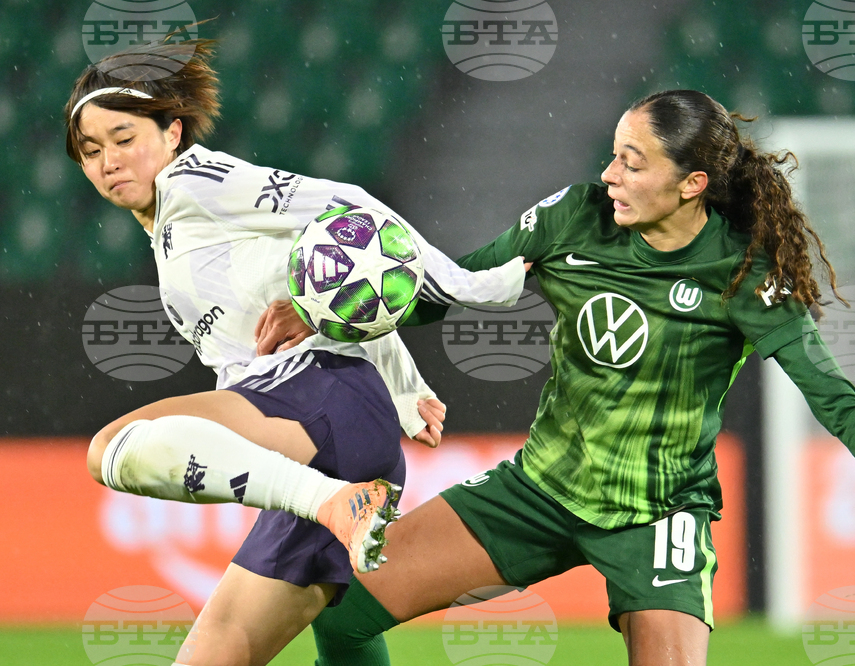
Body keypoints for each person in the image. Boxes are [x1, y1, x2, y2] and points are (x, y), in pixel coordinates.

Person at [256, 89, 855, 666]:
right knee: (344, 610)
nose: (610, 174)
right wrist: (330, 315)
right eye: (613, 154)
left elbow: (831, 393)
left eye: (633, 162)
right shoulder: (574, 218)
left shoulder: (742, 276)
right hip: (538, 492)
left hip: (657, 514)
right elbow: (457, 283)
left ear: (692, 183)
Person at [64, 40, 527, 666]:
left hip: (319, 403)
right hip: (336, 428)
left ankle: (335, 503)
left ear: (173, 132)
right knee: (237, 651)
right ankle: (337, 504)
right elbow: (333, 275)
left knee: (116, 448)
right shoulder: (175, 226)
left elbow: (355, 212)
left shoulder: (193, 183)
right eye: (91, 152)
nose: (108, 162)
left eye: (124, 138)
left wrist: (469, 286)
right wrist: (402, 384)